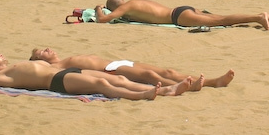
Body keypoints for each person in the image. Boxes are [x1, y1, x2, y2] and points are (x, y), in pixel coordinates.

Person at [0, 51, 179, 99]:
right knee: (101, 83)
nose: (1, 55)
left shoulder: (15, 66)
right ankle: (143, 94)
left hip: (66, 72)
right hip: (56, 81)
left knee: (120, 79)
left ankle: (164, 89)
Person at [29, 47, 234, 90]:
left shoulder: (65, 58)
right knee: (149, 75)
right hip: (110, 70)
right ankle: (187, 86)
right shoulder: (54, 67)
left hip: (118, 62)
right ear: (38, 60)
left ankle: (212, 82)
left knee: (167, 71)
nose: (47, 49)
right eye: (42, 52)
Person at [96, 0, 269, 30]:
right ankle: (264, 17)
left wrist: (98, 9)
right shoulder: (136, 1)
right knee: (219, 17)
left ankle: (258, 17)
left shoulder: (125, 8)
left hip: (178, 17)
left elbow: (103, 20)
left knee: (222, 21)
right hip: (181, 9)